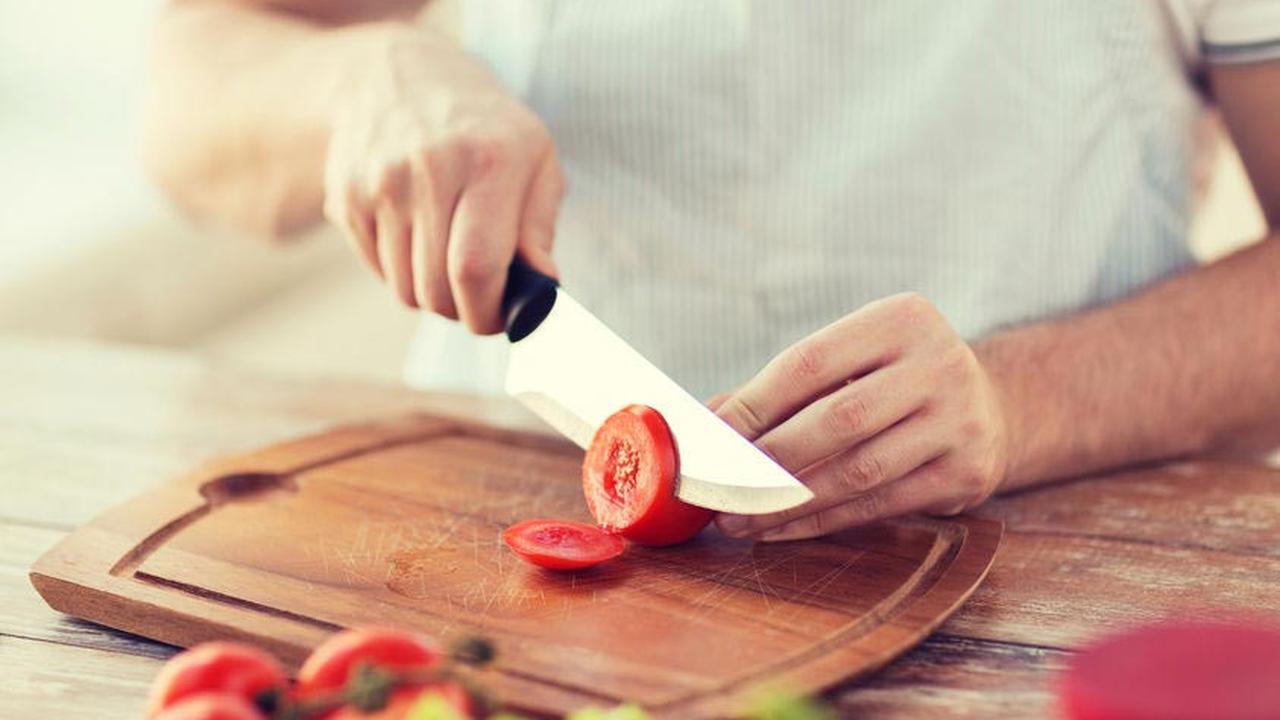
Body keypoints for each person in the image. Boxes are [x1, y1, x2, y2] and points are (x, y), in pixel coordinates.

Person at [145, 0, 1280, 541]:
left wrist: (1023, 401)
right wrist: (356, 80)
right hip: (497, 529)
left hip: (1025, 563)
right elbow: (189, 105)